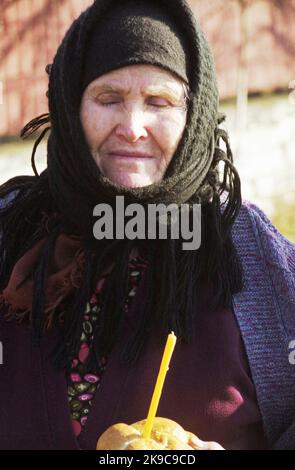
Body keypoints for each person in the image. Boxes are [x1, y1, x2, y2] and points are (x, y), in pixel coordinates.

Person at [0, 0, 294, 451]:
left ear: (193, 117)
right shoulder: (12, 229)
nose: (133, 126)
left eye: (159, 101)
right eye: (109, 98)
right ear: (69, 106)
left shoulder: (249, 251)